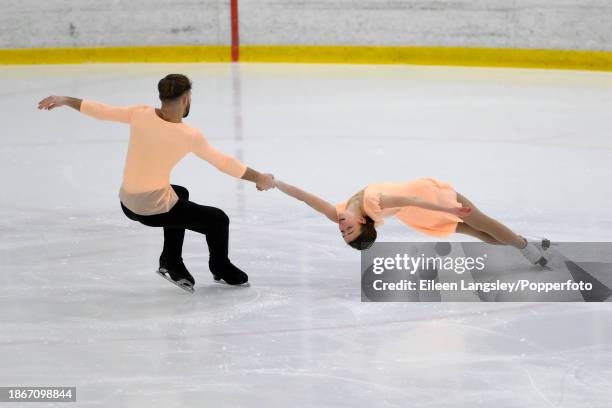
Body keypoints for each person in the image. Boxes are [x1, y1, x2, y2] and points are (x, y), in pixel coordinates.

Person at [38, 74, 275, 292]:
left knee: (179, 193)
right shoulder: (189, 135)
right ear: (185, 99)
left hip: (127, 200)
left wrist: (64, 99)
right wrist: (260, 178)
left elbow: (102, 111)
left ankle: (170, 259)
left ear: (161, 97)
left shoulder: (140, 113)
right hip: (150, 209)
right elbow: (224, 163)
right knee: (218, 220)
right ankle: (220, 267)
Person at [273, 178, 549, 265]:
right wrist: (448, 207)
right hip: (427, 200)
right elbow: (413, 202)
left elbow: (303, 197)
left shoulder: (338, 212)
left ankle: (521, 244)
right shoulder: (373, 203)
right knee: (480, 224)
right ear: (363, 223)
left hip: (420, 209)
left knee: (478, 230)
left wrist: (274, 183)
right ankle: (525, 245)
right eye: (349, 230)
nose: (341, 226)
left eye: (342, 232)